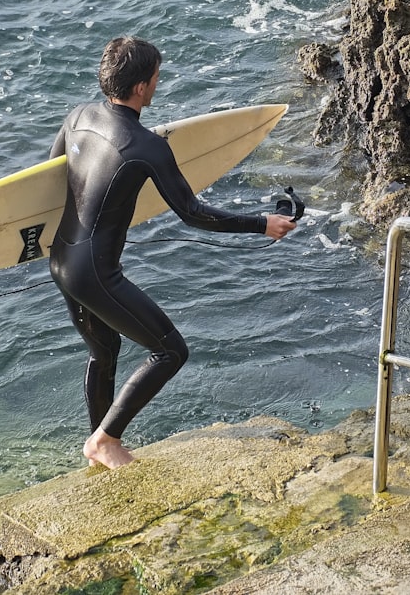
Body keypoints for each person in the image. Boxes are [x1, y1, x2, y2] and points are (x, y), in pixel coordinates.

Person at [48, 37, 297, 469]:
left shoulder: (79, 117)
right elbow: (193, 214)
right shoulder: (146, 146)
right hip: (95, 274)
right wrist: (262, 223)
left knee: (102, 353)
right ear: (143, 87)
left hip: (61, 261)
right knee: (170, 351)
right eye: (157, 77)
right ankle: (104, 441)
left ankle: (96, 448)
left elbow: (52, 178)